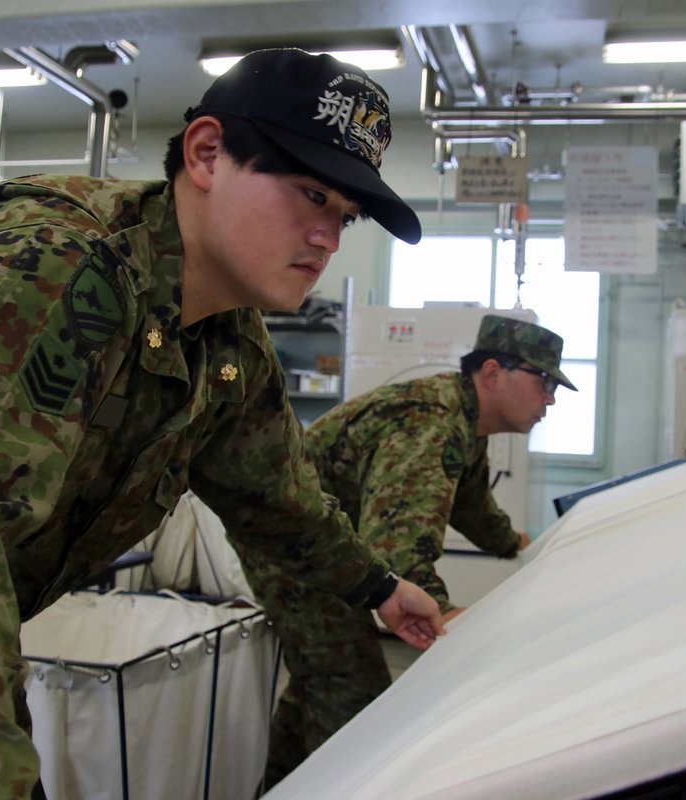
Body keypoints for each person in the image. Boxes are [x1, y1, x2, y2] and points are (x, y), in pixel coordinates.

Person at [0, 48, 445, 800]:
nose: (327, 237)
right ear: (207, 153)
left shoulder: (226, 343)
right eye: (310, 193)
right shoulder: (49, 268)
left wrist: (380, 587)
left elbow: (278, 499)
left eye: (344, 216)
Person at [240, 313, 577, 787]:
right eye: (543, 380)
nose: (551, 397)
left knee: (322, 680)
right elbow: (397, 545)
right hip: (296, 546)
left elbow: (473, 505)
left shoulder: (463, 419)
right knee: (354, 697)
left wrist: (516, 543)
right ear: (494, 374)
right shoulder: (434, 421)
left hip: (324, 543)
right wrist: (443, 613)